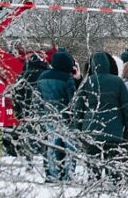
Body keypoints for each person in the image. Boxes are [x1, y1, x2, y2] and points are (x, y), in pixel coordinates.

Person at [73, 52, 128, 181]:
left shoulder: (87, 81)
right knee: (113, 162)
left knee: (94, 164)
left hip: (92, 127)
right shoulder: (117, 81)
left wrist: (78, 126)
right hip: (114, 127)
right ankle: (114, 183)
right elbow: (126, 105)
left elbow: (79, 106)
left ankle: (95, 183)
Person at [37, 50, 76, 183]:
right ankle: (68, 174)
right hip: (65, 116)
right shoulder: (67, 78)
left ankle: (52, 174)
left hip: (48, 115)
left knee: (52, 145)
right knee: (70, 146)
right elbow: (72, 100)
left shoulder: (42, 77)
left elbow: (37, 98)